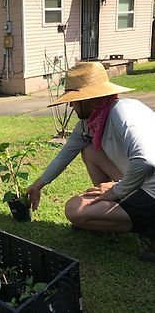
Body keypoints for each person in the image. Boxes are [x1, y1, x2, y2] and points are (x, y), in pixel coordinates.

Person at [25, 62, 155, 262]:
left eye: (74, 100)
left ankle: (149, 228)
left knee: (74, 209)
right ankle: (112, 212)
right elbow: (66, 154)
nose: (71, 105)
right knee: (88, 150)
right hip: (138, 182)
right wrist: (38, 185)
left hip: (151, 193)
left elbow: (146, 161)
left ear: (91, 100)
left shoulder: (123, 112)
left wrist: (116, 190)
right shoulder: (93, 121)